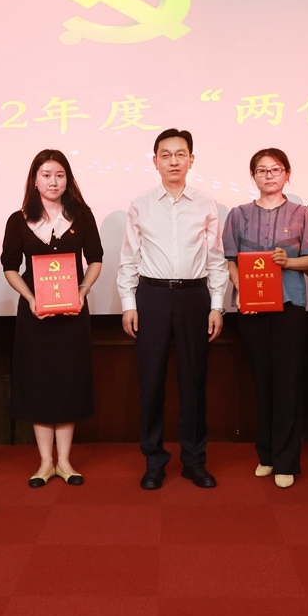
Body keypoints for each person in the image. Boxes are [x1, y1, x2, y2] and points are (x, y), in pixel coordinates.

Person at [117, 128, 229, 490]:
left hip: (194, 297)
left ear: (191, 160)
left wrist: (217, 306)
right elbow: (129, 258)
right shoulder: (141, 204)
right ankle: (154, 460)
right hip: (151, 297)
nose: (173, 161)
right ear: (155, 161)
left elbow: (216, 259)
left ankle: (194, 460)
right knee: (151, 382)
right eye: (165, 155)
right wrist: (128, 304)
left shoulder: (206, 204)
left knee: (193, 381)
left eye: (180, 154)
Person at [1, 150, 103, 487]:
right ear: (35, 179)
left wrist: (83, 290)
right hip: (36, 316)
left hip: (73, 313)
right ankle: (46, 462)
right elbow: (9, 267)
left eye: (59, 175)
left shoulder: (81, 216)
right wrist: (30, 298)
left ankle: (66, 461)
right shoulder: (19, 220)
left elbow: (96, 259)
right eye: (46, 175)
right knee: (40, 383)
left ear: (67, 179)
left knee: (68, 382)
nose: (53, 181)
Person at [223, 148, 308, 489]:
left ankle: (286, 460)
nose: (269, 176)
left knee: (287, 383)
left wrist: (288, 262)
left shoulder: (302, 214)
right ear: (253, 176)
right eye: (261, 170)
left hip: (289, 306)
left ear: (287, 174)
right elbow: (230, 260)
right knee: (262, 382)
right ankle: (265, 454)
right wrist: (242, 289)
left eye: (275, 170)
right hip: (251, 309)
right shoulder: (238, 215)